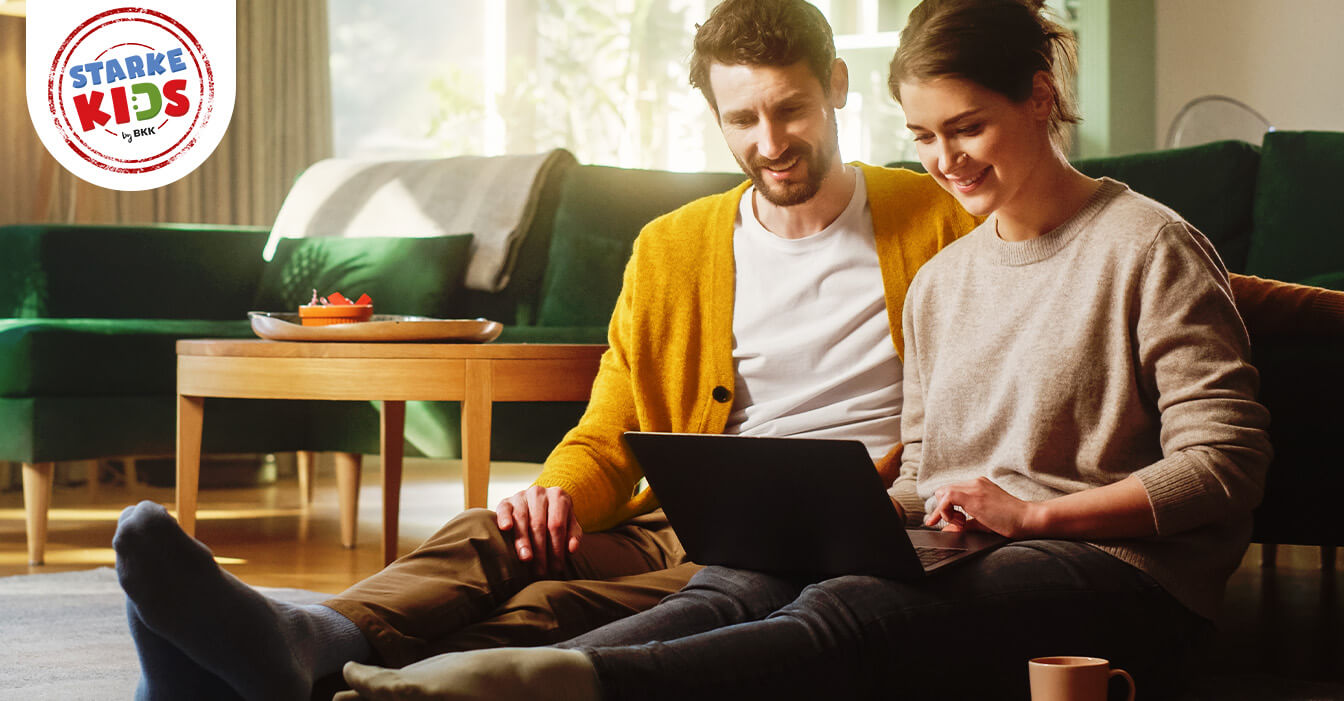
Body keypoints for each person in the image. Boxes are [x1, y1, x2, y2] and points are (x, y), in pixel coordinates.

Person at [328, 1, 1276, 699]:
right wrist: (859, 506)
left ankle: (578, 684)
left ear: (1041, 99)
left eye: (967, 128)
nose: (945, 160)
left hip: (1117, 563)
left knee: (845, 610)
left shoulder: (1146, 243)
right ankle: (439, 662)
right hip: (967, 541)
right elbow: (935, 463)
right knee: (738, 582)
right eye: (924, 137)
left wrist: (1028, 517)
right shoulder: (949, 276)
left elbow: (1224, 465)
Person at [110, 0, 981, 698]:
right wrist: (557, 494)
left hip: (836, 538)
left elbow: (988, 399)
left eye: (790, 108)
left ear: (834, 85)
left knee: (553, 606)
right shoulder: (673, 247)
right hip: (686, 526)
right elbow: (610, 427)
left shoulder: (935, 220)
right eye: (742, 117)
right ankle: (314, 636)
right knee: (500, 535)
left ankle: (282, 676)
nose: (770, 142)